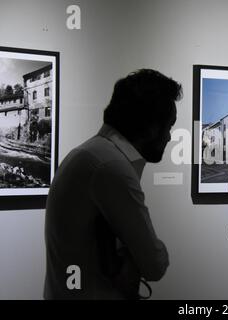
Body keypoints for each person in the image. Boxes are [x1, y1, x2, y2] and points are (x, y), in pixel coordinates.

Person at [44, 69, 182, 299]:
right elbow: (155, 265)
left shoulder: (91, 154)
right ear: (150, 127)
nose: (169, 137)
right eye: (168, 126)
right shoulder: (111, 167)